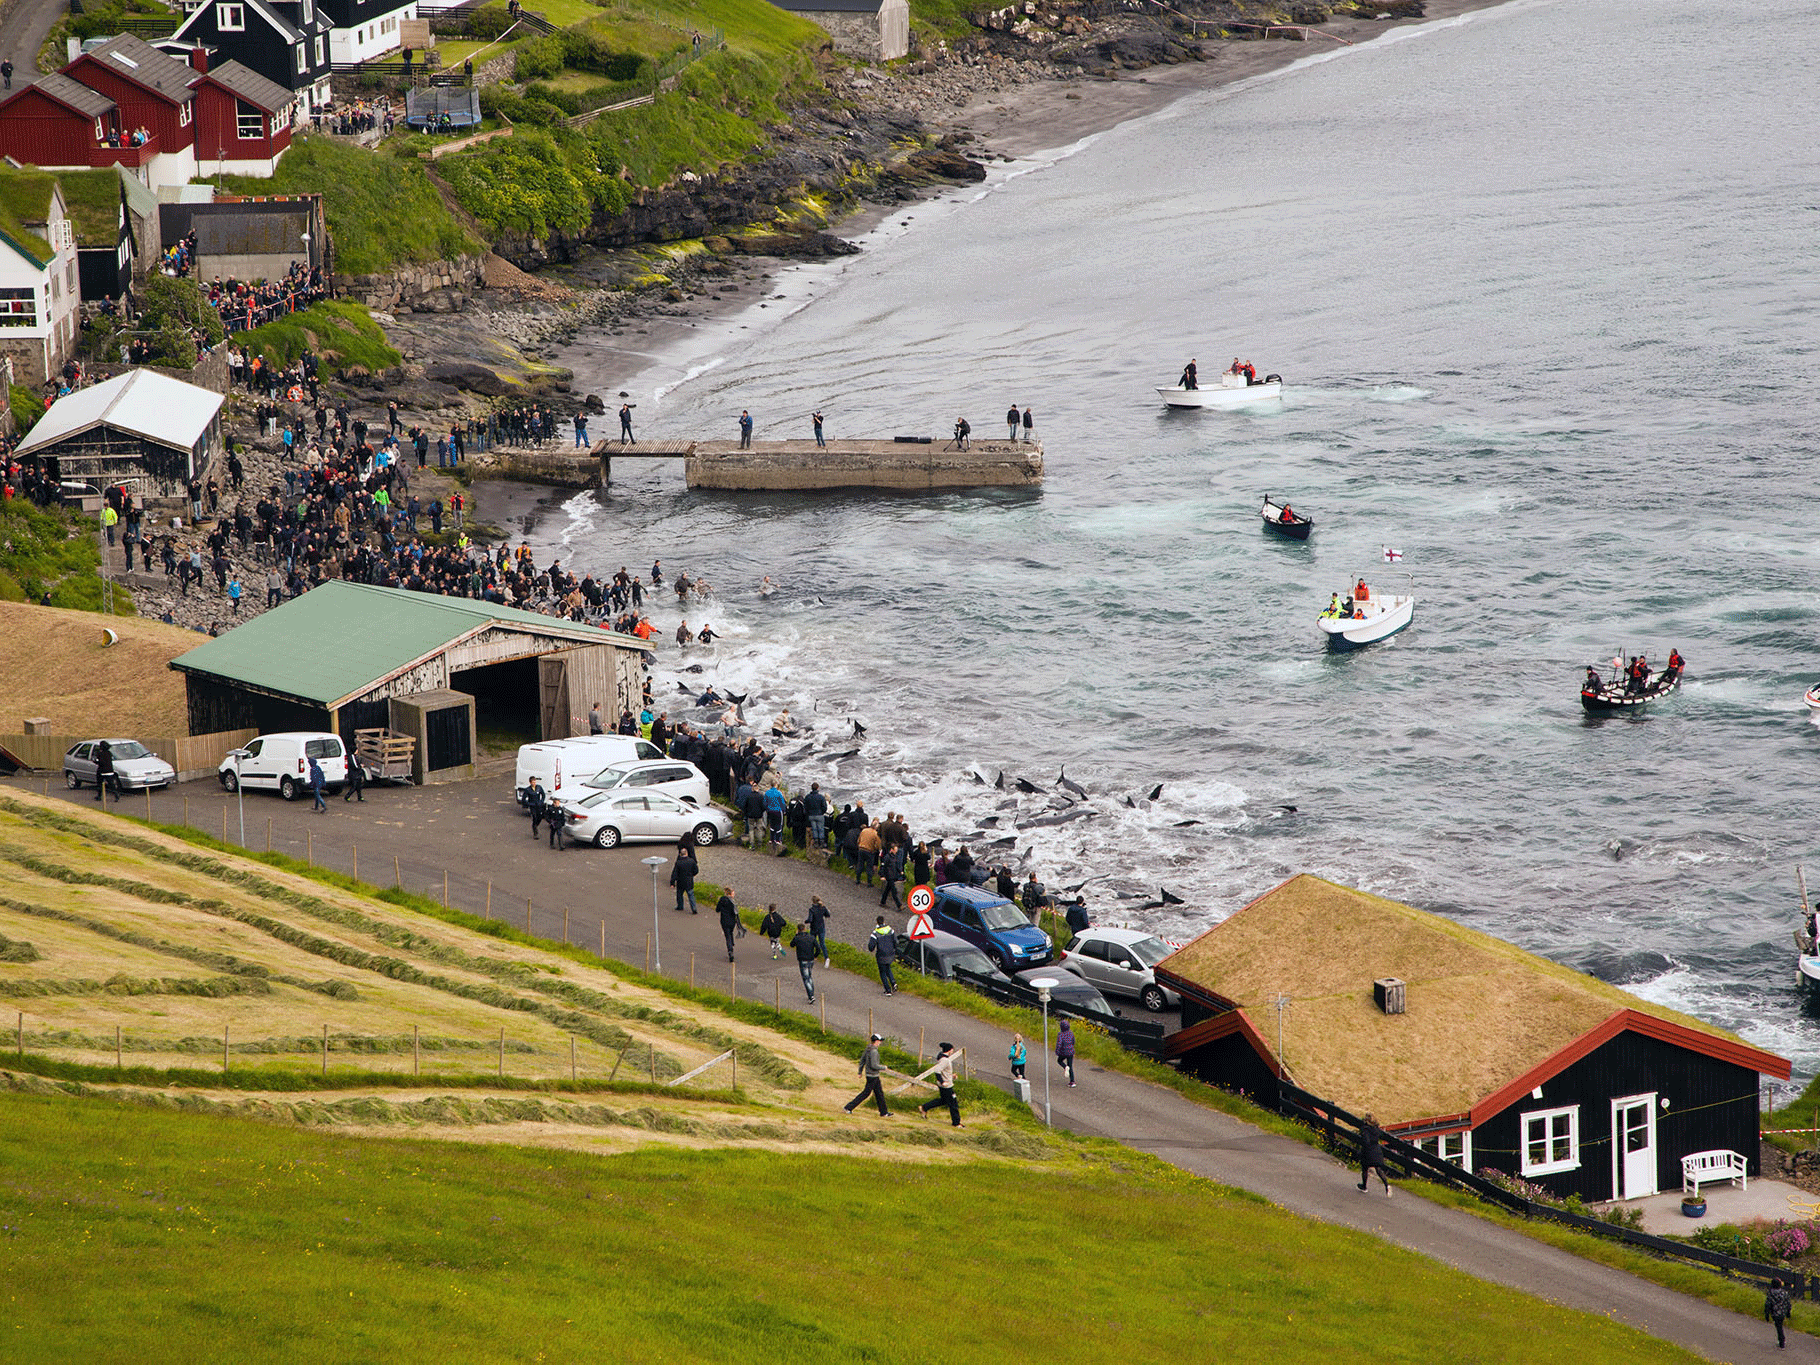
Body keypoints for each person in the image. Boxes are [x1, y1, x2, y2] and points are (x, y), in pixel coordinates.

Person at [843, 1033, 890, 1117]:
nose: (880, 1043)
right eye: (879, 1041)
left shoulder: (868, 1048)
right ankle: (848, 1108)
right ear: (876, 1041)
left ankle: (884, 1112)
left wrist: (860, 1072)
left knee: (879, 1094)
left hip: (871, 1075)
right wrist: (883, 1067)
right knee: (866, 1093)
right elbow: (874, 1065)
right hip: (873, 1076)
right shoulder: (874, 1051)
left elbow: (862, 1061)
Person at [919, 1042, 962, 1127]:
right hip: (946, 1086)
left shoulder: (943, 1058)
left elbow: (943, 1071)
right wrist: (943, 1082)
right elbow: (937, 1070)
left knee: (944, 1100)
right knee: (953, 1104)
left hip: (945, 1084)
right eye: (952, 1050)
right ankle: (956, 1123)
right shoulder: (945, 1060)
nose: (952, 1051)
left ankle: (924, 1107)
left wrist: (951, 1076)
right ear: (949, 1050)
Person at [1357, 1114, 1392, 1196]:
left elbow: (1366, 1141)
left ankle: (1364, 1186)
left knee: (1365, 1168)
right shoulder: (1376, 1130)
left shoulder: (1365, 1129)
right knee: (1378, 1169)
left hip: (1368, 1151)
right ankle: (1387, 1185)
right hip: (1377, 1150)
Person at [868, 915, 898, 996]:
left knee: (882, 972)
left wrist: (871, 949)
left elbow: (871, 946)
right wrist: (894, 949)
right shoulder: (890, 930)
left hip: (881, 955)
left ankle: (888, 990)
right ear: (884, 921)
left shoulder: (875, 933)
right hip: (890, 954)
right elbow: (896, 941)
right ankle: (893, 982)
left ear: (877, 922)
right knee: (888, 967)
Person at [790, 920, 819, 1003]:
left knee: (806, 978)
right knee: (809, 977)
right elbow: (818, 948)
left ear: (798, 929)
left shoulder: (797, 938)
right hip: (811, 959)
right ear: (805, 929)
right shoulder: (811, 937)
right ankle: (812, 992)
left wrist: (796, 935)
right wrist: (815, 956)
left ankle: (811, 996)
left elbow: (791, 944)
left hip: (803, 960)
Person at [1766, 1273, 1793, 1349]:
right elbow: (1788, 1303)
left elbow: (1768, 1304)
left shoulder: (1770, 1293)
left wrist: (1767, 1314)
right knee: (1779, 1326)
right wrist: (1788, 1312)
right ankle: (1781, 1340)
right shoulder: (1784, 1293)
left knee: (1779, 1327)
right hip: (1782, 1312)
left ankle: (1781, 1342)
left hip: (1775, 1313)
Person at [671, 846, 698, 914]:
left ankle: (680, 906)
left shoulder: (678, 862)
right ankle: (694, 908)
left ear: (680, 854)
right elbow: (696, 870)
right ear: (687, 853)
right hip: (689, 881)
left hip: (680, 881)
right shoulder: (691, 861)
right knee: (691, 895)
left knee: (679, 895)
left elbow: (675, 873)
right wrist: (692, 875)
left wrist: (672, 882)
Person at [717, 889, 741, 961]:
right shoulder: (732, 902)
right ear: (730, 894)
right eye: (733, 894)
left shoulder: (722, 900)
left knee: (727, 935)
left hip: (724, 921)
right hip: (732, 921)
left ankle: (730, 950)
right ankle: (732, 944)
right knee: (730, 933)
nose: (734, 895)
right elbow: (735, 912)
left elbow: (717, 909)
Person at [807, 895, 831, 965]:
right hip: (821, 928)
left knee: (812, 942)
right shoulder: (823, 908)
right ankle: (826, 958)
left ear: (813, 901)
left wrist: (806, 921)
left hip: (814, 928)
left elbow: (810, 919)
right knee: (822, 943)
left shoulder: (811, 909)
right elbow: (828, 915)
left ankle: (811, 956)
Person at [804, 782, 828, 848]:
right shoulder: (821, 797)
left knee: (814, 829)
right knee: (820, 829)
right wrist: (822, 812)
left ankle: (816, 842)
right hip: (819, 815)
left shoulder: (808, 797)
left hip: (811, 815)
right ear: (818, 788)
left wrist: (808, 813)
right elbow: (824, 807)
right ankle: (821, 843)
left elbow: (805, 807)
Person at [1056, 1018, 1076, 1087]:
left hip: (1063, 1052)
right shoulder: (1071, 1033)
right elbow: (1073, 1041)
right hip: (1071, 1052)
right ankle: (1072, 1081)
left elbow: (1059, 1044)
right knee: (1070, 1066)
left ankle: (1065, 1067)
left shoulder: (1060, 1034)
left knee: (1059, 1060)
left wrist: (1057, 1051)